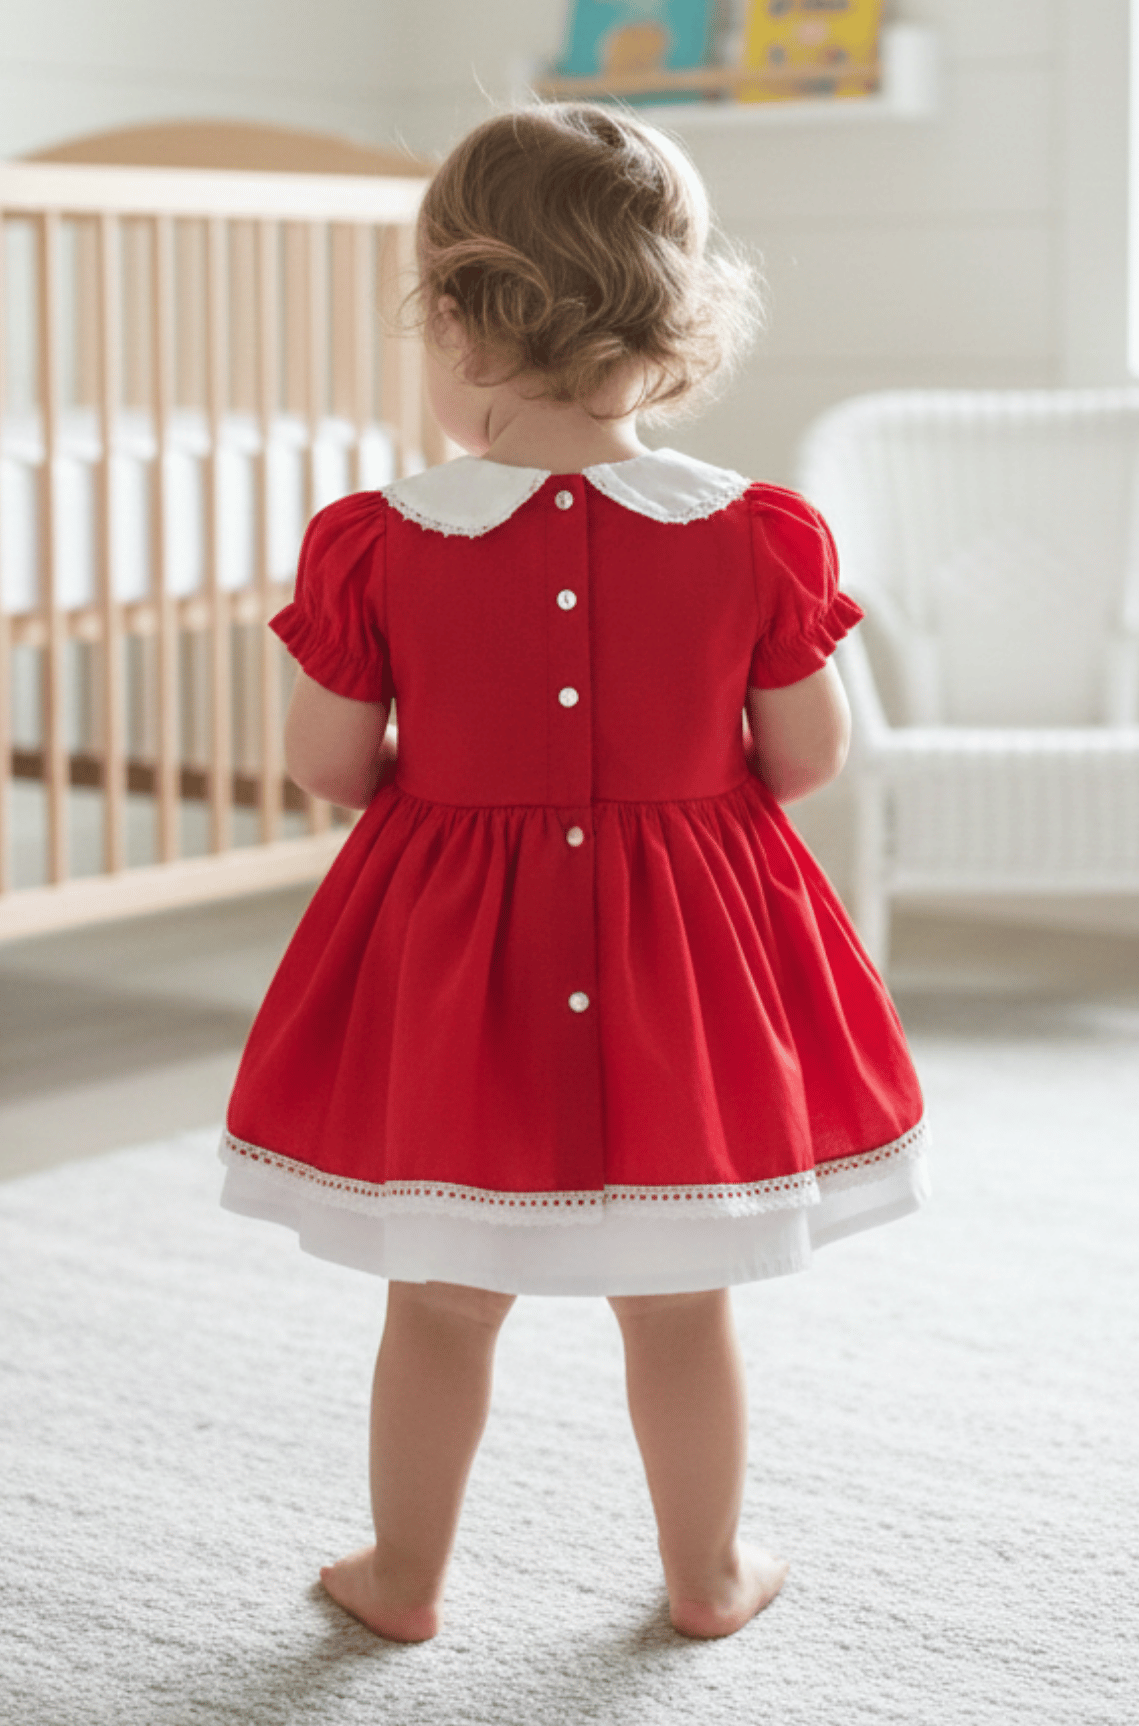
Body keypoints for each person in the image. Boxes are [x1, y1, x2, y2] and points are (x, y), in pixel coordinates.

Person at [220, 103, 927, 1645]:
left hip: (456, 963)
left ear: (454, 318)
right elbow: (807, 756)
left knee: (439, 1297)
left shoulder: (373, 542)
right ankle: (706, 1576)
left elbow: (329, 766)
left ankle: (404, 1578)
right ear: (675, 324)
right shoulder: (759, 535)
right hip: (682, 961)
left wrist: (454, 795)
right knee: (678, 1300)